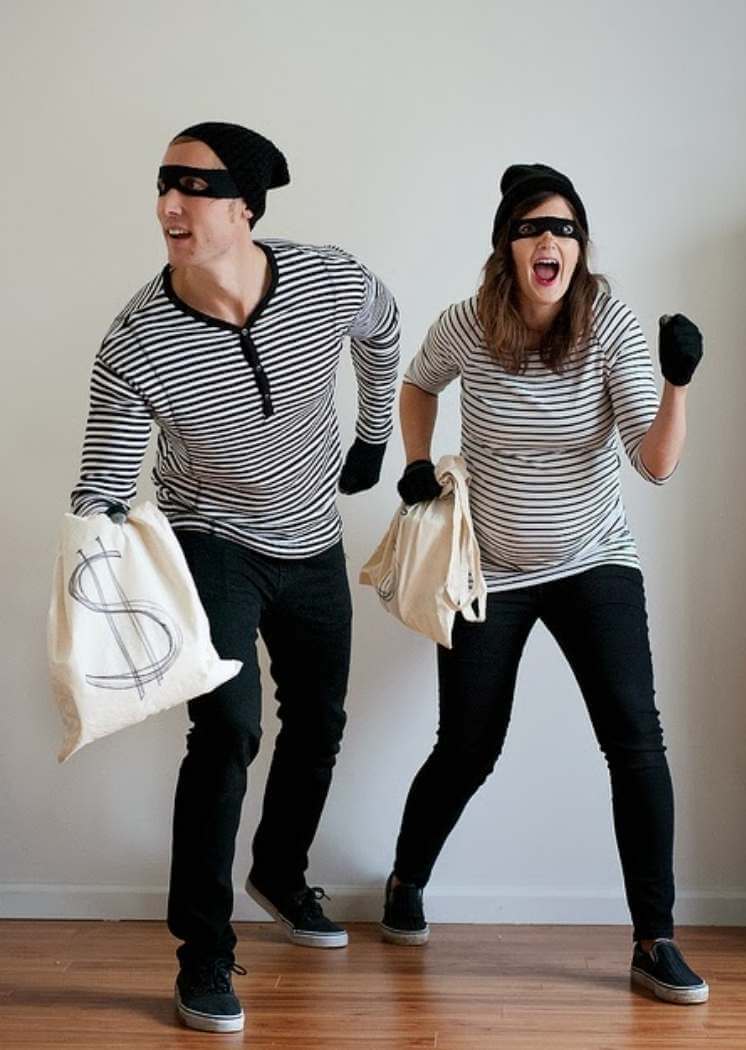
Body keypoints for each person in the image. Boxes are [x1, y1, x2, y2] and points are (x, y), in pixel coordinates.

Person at [71, 121, 400, 1033]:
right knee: (226, 734)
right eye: (164, 183)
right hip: (207, 536)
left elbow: (384, 330)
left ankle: (282, 872)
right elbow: (105, 480)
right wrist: (85, 572)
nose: (171, 204)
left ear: (247, 206)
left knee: (321, 720)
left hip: (314, 538)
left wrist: (374, 435)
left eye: (196, 186)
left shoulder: (328, 278)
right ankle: (205, 959)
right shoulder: (136, 338)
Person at [381, 163, 708, 1006]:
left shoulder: (610, 325)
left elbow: (657, 464)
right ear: (507, 245)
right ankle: (405, 883)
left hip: (593, 559)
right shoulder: (471, 322)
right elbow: (418, 381)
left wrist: (676, 382)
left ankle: (655, 938)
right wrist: (415, 462)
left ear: (580, 247)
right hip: (490, 567)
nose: (549, 241)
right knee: (468, 745)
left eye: (563, 228)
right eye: (532, 228)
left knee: (635, 737)